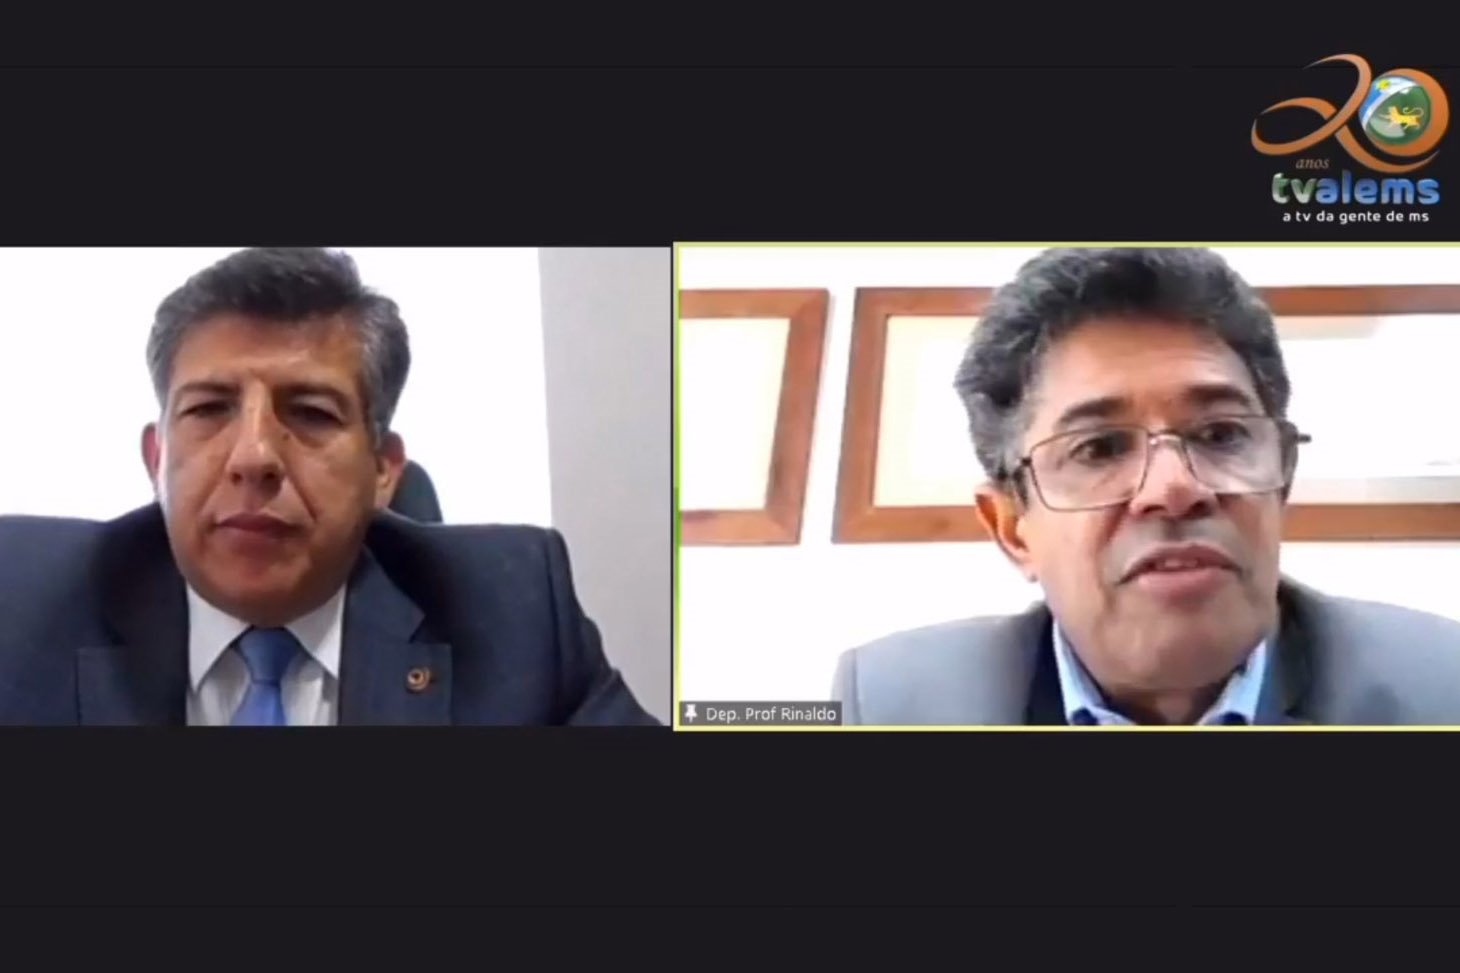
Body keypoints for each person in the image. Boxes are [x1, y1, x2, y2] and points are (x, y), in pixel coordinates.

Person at [0, 247, 658, 725]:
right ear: (156, 457)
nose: (254, 457)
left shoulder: (515, 616)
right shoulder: (22, 606)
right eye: (209, 409)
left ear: (383, 470)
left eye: (311, 413)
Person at [832, 247, 1460, 726]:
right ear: (1012, 529)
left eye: (1220, 434)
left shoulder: (1440, 686)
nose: (1175, 487)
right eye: (1099, 448)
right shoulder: (890, 703)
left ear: (1282, 482)